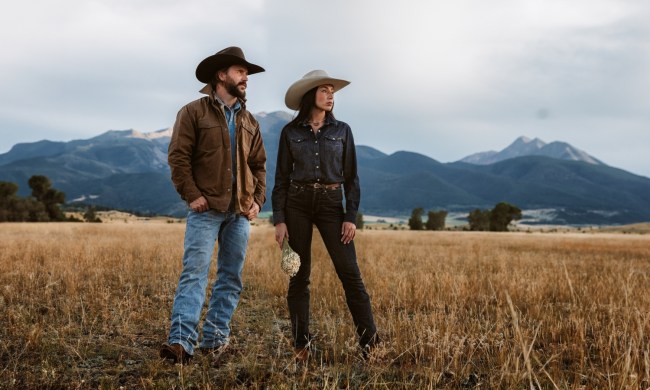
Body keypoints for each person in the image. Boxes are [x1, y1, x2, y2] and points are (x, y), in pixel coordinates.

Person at [160, 46, 267, 365]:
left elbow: (259, 164)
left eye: (246, 73)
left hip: (240, 214)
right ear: (221, 75)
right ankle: (180, 342)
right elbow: (178, 157)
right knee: (194, 273)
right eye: (240, 71)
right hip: (204, 211)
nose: (246, 77)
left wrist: (258, 200)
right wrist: (192, 194)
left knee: (231, 277)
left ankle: (215, 339)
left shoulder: (249, 121)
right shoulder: (192, 112)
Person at [272, 70, 379, 362]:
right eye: (325, 90)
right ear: (311, 96)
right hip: (296, 204)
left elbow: (352, 177)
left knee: (350, 275)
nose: (331, 95)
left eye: (333, 91)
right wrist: (279, 219)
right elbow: (281, 177)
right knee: (299, 276)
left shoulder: (342, 130)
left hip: (333, 205)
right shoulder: (290, 132)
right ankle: (301, 346)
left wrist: (350, 216)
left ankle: (371, 344)